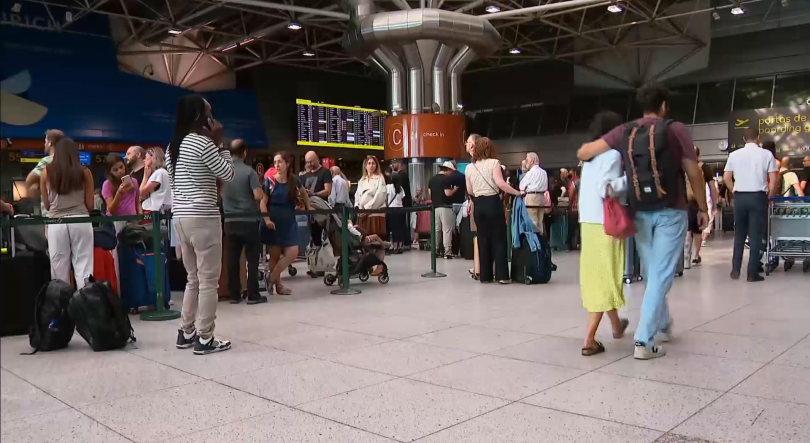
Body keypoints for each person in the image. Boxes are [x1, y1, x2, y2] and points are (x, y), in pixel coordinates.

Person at [577, 82, 709, 360]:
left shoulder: (625, 130)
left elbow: (585, 152)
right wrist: (703, 205)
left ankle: (661, 324)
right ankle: (643, 341)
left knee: (652, 272)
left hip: (639, 211)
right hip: (671, 210)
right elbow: (693, 172)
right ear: (664, 106)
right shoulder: (675, 129)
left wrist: (592, 155)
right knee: (660, 275)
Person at [167, 94, 234, 355]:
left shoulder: (173, 145)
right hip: (203, 217)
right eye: (208, 111)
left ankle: (186, 331)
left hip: (181, 218)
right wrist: (221, 145)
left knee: (192, 278)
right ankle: (205, 338)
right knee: (208, 281)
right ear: (199, 116)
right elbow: (227, 173)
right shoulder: (203, 143)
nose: (212, 115)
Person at [578, 111, 630, 356]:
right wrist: (630, 180)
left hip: (588, 223)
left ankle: (617, 327)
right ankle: (589, 338)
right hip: (605, 224)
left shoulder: (589, 157)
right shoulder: (612, 154)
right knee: (606, 277)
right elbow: (606, 189)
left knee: (599, 276)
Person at [723, 128, 779, 282]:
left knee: (739, 234)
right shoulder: (767, 154)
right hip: (758, 196)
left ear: (743, 138)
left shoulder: (734, 155)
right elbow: (773, 180)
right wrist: (769, 195)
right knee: (755, 235)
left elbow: (726, 177)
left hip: (740, 196)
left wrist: (733, 190)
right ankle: (752, 272)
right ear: (758, 138)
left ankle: (735, 269)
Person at [466, 137, 523, 284]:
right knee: (499, 239)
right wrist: (517, 192)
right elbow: (500, 183)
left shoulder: (469, 168)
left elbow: (470, 190)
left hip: (478, 205)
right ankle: (502, 275)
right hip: (493, 203)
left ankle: (485, 276)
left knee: (483, 239)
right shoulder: (494, 163)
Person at [40, 138, 94, 288]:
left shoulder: (46, 172)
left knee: (58, 269)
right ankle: (85, 305)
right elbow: (90, 205)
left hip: (56, 223)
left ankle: (61, 307)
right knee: (84, 267)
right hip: (81, 221)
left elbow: (47, 204)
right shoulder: (85, 172)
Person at [221, 139, 266, 305]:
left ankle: (234, 294)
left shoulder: (223, 173)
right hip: (248, 220)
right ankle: (253, 294)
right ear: (244, 152)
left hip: (230, 221)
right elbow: (258, 196)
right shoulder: (249, 172)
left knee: (232, 258)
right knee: (252, 259)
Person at [261, 152, 310, 295]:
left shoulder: (294, 180)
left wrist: (308, 205)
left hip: (288, 220)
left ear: (287, 164)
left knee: (293, 251)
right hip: (273, 221)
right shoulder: (269, 182)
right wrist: (267, 220)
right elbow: (263, 203)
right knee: (274, 256)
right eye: (275, 162)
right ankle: (278, 286)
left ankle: (271, 277)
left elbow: (304, 193)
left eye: (280, 162)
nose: (277, 165)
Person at [354, 155, 387, 275]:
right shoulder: (362, 180)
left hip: (375, 213)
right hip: (362, 214)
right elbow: (357, 196)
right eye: (369, 163)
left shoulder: (380, 178)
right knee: (365, 241)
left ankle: (380, 265)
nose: (371, 165)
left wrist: (367, 208)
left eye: (373, 163)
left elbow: (380, 196)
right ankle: (366, 264)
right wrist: (358, 207)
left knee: (378, 240)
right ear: (365, 165)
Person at [687, 146, 718, 265]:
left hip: (685, 201)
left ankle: (686, 256)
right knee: (697, 230)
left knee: (687, 229)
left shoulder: (683, 167)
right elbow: (712, 188)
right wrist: (714, 205)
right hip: (698, 202)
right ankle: (696, 255)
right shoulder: (704, 167)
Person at [25, 129, 65, 216]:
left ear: (50, 143)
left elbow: (29, 181)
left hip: (52, 213)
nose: (44, 144)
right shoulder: (72, 161)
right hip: (72, 213)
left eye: (45, 141)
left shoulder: (47, 161)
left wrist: (40, 184)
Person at [300, 151, 332, 247]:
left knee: (319, 237)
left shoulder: (325, 172)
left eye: (311, 162)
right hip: (307, 210)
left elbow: (327, 190)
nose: (309, 164)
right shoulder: (304, 176)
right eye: (307, 162)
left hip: (320, 209)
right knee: (311, 238)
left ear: (317, 159)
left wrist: (314, 194)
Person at [102, 153, 142, 228]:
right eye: (115, 170)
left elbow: (137, 201)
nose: (120, 171)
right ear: (110, 172)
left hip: (132, 220)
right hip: (116, 221)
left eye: (121, 167)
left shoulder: (134, 181)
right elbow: (111, 210)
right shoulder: (107, 184)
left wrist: (140, 214)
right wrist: (119, 194)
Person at [429, 162, 458, 259]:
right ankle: (447, 252)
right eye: (451, 171)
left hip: (435, 208)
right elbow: (448, 193)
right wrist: (455, 190)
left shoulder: (432, 179)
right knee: (447, 230)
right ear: (448, 170)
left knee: (436, 230)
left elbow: (430, 193)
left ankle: (436, 250)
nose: (452, 174)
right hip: (445, 207)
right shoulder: (446, 179)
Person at [519, 152, 548, 234]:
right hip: (542, 197)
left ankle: (535, 243)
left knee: (533, 221)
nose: (526, 162)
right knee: (540, 221)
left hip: (532, 197)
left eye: (527, 160)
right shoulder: (544, 172)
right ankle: (541, 241)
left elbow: (521, 186)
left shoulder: (530, 173)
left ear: (532, 161)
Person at [139, 148, 172, 214]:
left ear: (153, 157)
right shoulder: (162, 172)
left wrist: (145, 177)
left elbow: (141, 193)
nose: (144, 160)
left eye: (145, 157)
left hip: (159, 212)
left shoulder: (159, 173)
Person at [386, 172, 407, 254]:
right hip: (400, 209)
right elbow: (402, 198)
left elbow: (386, 198)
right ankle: (400, 246)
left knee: (394, 229)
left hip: (392, 210)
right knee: (400, 228)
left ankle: (395, 247)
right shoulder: (400, 188)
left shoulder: (388, 187)